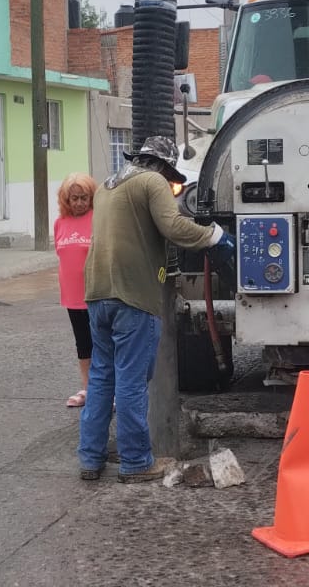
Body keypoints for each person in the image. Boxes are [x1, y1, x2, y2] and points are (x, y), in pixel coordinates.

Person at [79, 136, 235, 483]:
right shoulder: (152, 182)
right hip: (132, 293)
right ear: (163, 166)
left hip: (97, 293)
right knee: (132, 381)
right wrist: (214, 236)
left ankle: (90, 457)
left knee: (102, 376)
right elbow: (173, 227)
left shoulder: (107, 185)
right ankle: (136, 462)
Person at [54, 172, 97, 408]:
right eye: (74, 198)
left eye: (84, 198)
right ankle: (88, 389)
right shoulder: (60, 223)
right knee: (82, 344)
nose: (79, 203)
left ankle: (106, 392)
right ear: (66, 200)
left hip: (95, 293)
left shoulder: (97, 220)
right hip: (71, 296)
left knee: (101, 343)